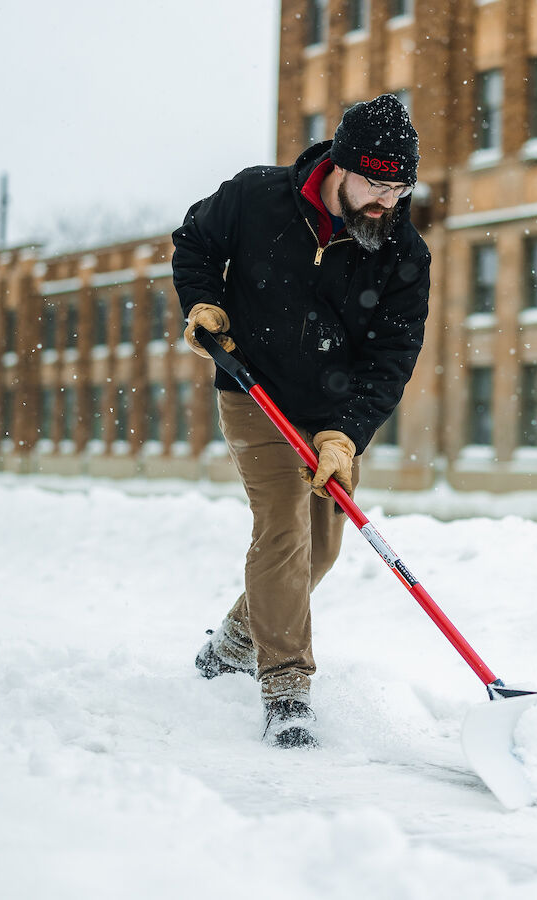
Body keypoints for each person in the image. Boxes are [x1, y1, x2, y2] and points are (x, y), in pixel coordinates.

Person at [172, 93, 431, 749]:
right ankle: (286, 689)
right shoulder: (257, 199)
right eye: (376, 182)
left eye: (400, 187)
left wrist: (346, 433)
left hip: (330, 414)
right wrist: (203, 303)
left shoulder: (403, 253)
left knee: (321, 548)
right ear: (340, 168)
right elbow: (194, 243)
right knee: (283, 527)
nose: (387, 200)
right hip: (253, 388)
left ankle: (234, 637)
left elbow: (391, 357)